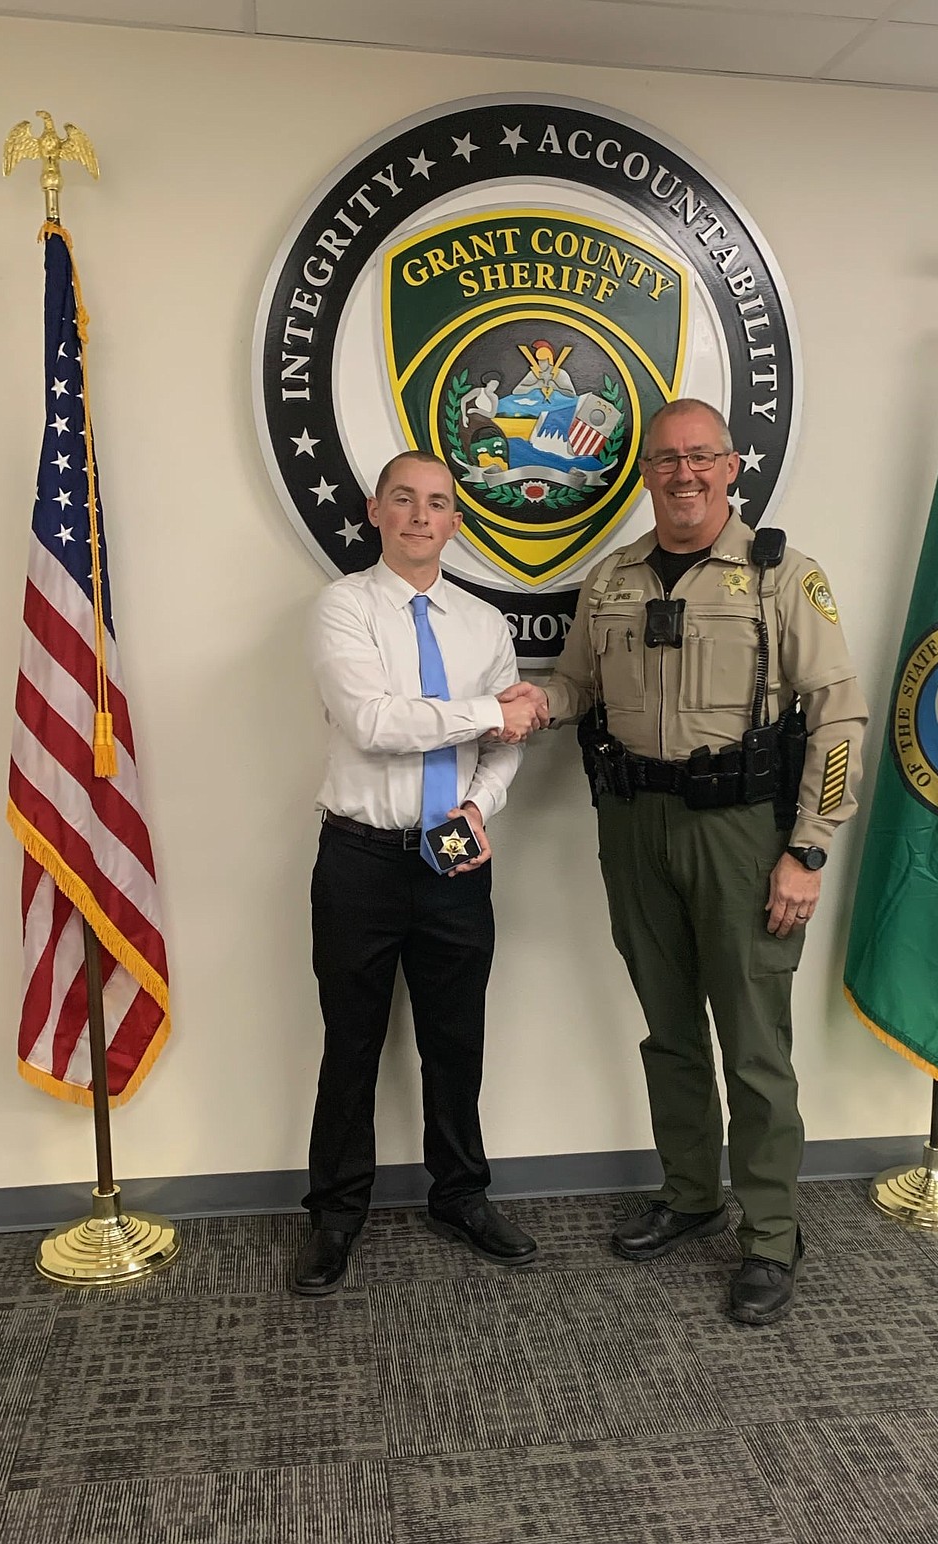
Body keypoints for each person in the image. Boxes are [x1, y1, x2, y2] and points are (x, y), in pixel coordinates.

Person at [499, 399, 867, 1324]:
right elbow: (581, 682)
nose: (684, 474)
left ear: (732, 465)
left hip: (742, 833)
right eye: (666, 460)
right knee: (668, 1028)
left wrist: (808, 850)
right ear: (646, 473)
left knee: (752, 1042)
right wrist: (533, 701)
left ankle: (773, 1232)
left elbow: (839, 719)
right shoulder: (611, 578)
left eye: (701, 457)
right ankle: (693, 1194)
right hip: (633, 825)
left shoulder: (782, 578)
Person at [293, 450, 543, 1295]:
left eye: (437, 504)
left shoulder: (482, 622)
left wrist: (481, 806)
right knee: (352, 1041)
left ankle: (460, 1195)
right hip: (361, 859)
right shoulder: (342, 607)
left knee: (454, 1038)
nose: (419, 516)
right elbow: (374, 723)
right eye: (403, 500)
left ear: (456, 522)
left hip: (453, 857)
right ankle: (334, 1213)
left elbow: (508, 747)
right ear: (375, 511)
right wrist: (488, 713)